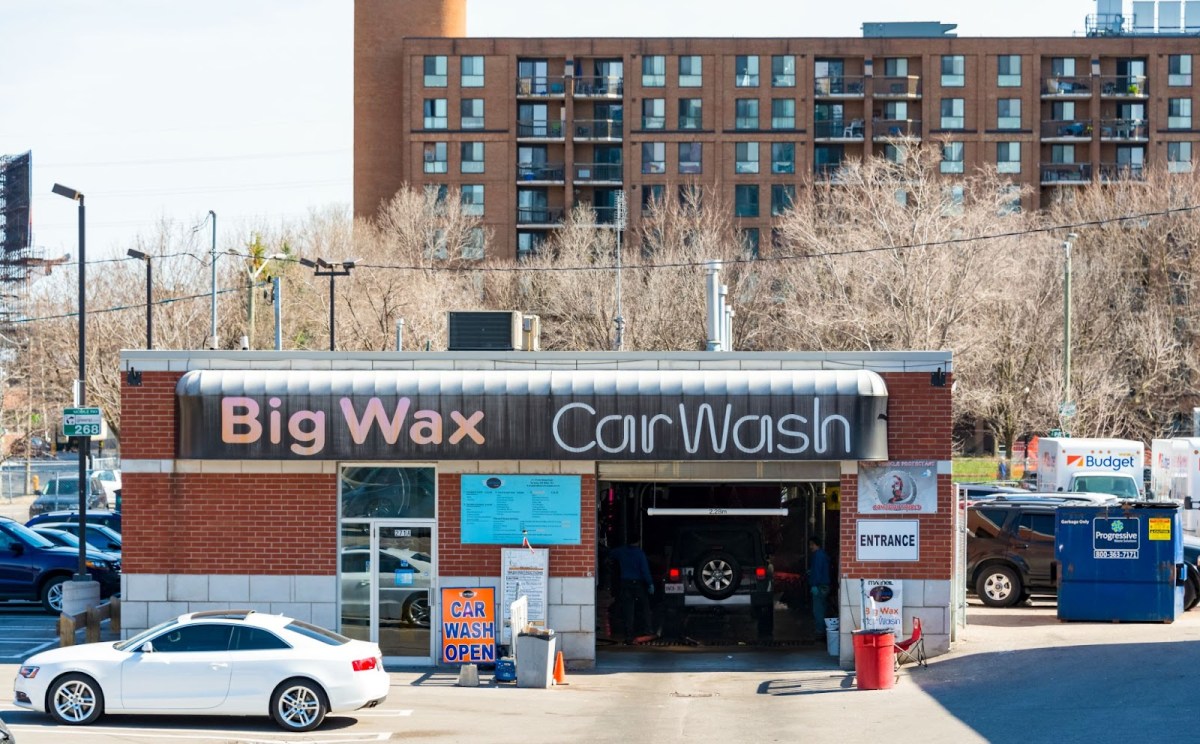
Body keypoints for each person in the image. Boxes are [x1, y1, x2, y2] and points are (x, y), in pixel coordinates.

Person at [608, 539, 654, 643]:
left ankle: (629, 635)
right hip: (638, 584)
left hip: (625, 583)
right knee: (645, 607)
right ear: (638, 542)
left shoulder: (621, 551)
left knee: (628, 610)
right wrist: (650, 583)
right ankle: (648, 630)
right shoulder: (640, 553)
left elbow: (610, 553)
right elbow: (645, 570)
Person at [807, 537, 831, 641]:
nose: (810, 547)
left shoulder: (817, 556)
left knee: (818, 610)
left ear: (816, 544)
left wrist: (814, 584)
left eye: (812, 544)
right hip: (825, 585)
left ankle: (820, 632)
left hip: (819, 586)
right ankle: (824, 630)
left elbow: (817, 572)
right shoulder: (823, 555)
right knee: (823, 608)